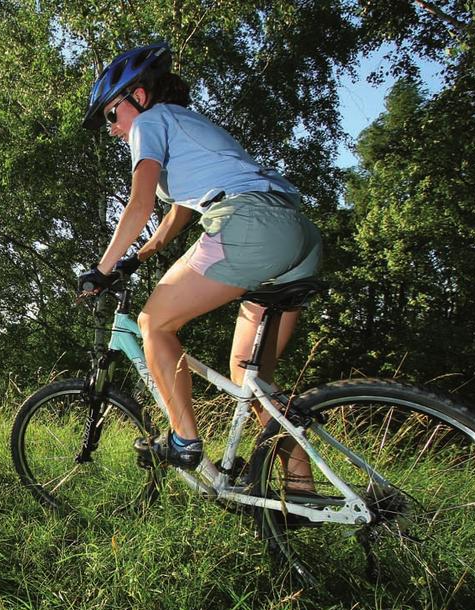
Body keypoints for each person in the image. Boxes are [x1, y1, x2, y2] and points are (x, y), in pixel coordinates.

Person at [77, 42, 322, 490]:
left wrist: (103, 267)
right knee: (253, 382)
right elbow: (178, 212)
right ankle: (301, 490)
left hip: (250, 224)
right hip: (295, 233)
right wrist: (142, 255)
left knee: (153, 323)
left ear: (140, 97)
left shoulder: (149, 124)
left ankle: (184, 441)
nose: (112, 128)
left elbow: (141, 201)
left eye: (112, 114)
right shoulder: (187, 125)